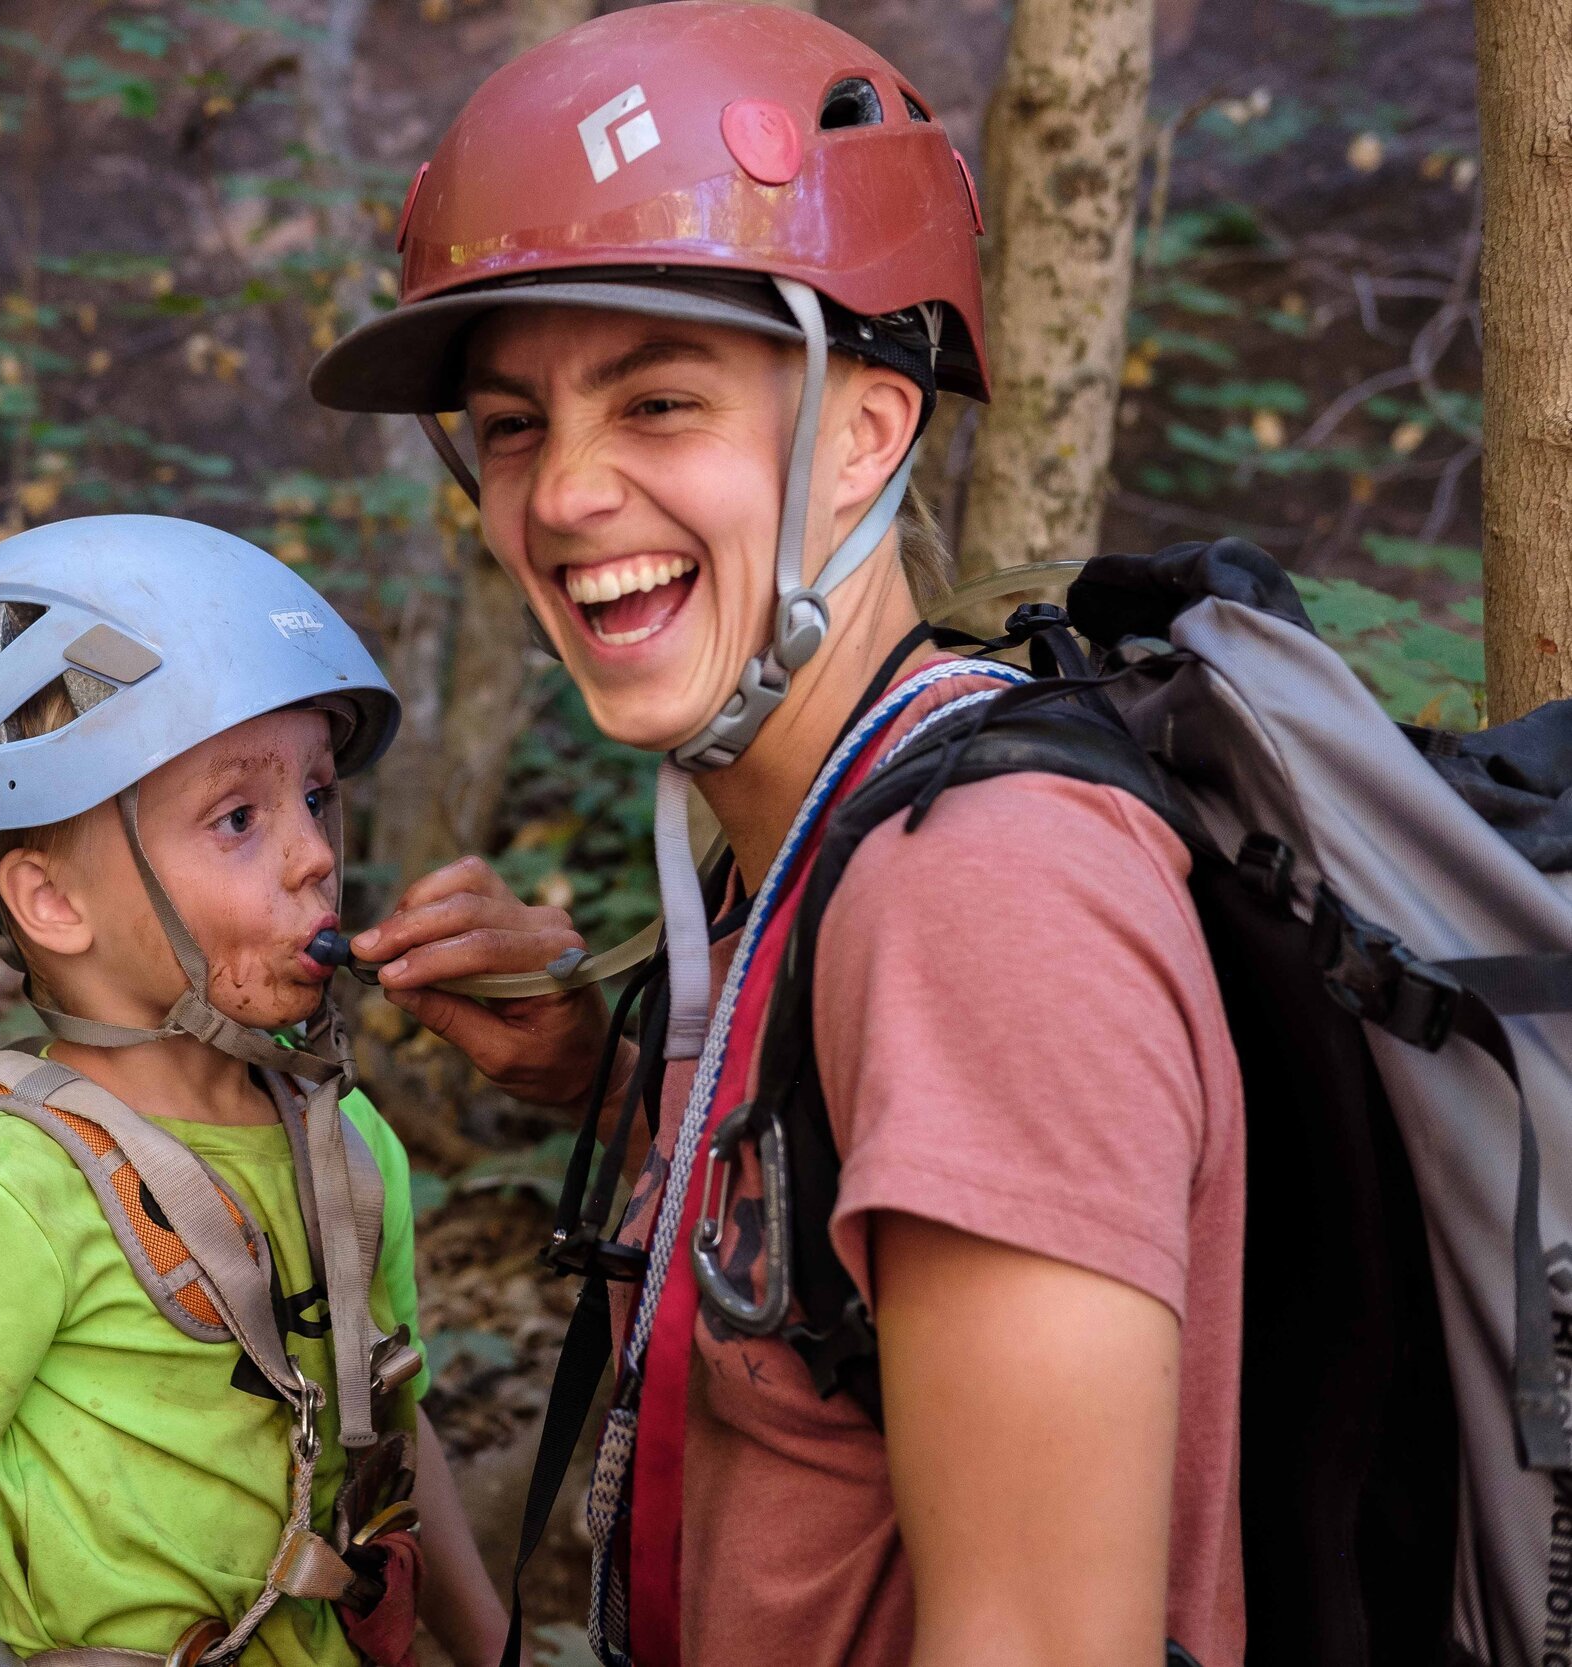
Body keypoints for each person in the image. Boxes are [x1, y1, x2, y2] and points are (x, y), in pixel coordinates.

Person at [309, 8, 1244, 1667]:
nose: (566, 494)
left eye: (658, 402)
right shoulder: (801, 853)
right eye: (513, 425)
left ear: (867, 431)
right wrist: (614, 1065)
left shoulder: (986, 892)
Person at [0, 516, 509, 1667]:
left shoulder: (343, 1141)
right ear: (52, 900)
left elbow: (393, 1416)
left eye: (316, 794)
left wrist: (497, 1647)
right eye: (239, 817)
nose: (312, 854)